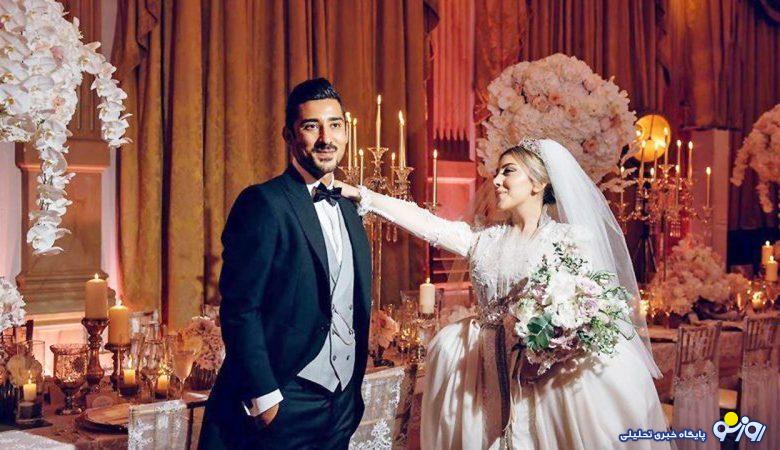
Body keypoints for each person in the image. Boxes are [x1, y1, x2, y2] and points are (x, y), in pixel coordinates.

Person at [337, 138, 670, 449]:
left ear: (538, 183)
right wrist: (363, 196)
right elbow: (426, 223)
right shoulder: (484, 241)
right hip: (480, 364)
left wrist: (556, 343)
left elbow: (589, 311)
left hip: (546, 373)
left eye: (508, 171)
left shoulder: (569, 241)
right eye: (496, 172)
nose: (496, 180)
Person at [199, 78, 372, 449]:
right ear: (289, 135)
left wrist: (349, 392)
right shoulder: (263, 203)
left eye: (335, 125)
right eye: (311, 126)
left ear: (346, 132)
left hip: (341, 404)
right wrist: (265, 399)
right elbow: (240, 309)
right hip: (285, 400)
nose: (326, 138)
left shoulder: (349, 208)